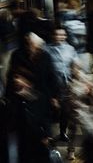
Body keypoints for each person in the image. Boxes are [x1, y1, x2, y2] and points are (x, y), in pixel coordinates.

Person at [5, 32, 59, 163]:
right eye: (29, 44)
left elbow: (52, 78)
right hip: (21, 101)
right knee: (24, 142)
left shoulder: (45, 57)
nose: (31, 47)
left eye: (35, 45)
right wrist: (11, 92)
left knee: (41, 140)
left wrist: (55, 97)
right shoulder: (17, 55)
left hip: (41, 100)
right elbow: (11, 76)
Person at [45, 27, 78, 142]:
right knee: (50, 111)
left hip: (66, 85)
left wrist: (76, 76)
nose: (60, 37)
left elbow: (75, 64)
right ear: (53, 36)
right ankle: (47, 136)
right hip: (51, 86)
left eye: (62, 35)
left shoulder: (70, 49)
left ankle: (62, 132)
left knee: (65, 111)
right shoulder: (46, 49)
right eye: (57, 34)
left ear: (66, 36)